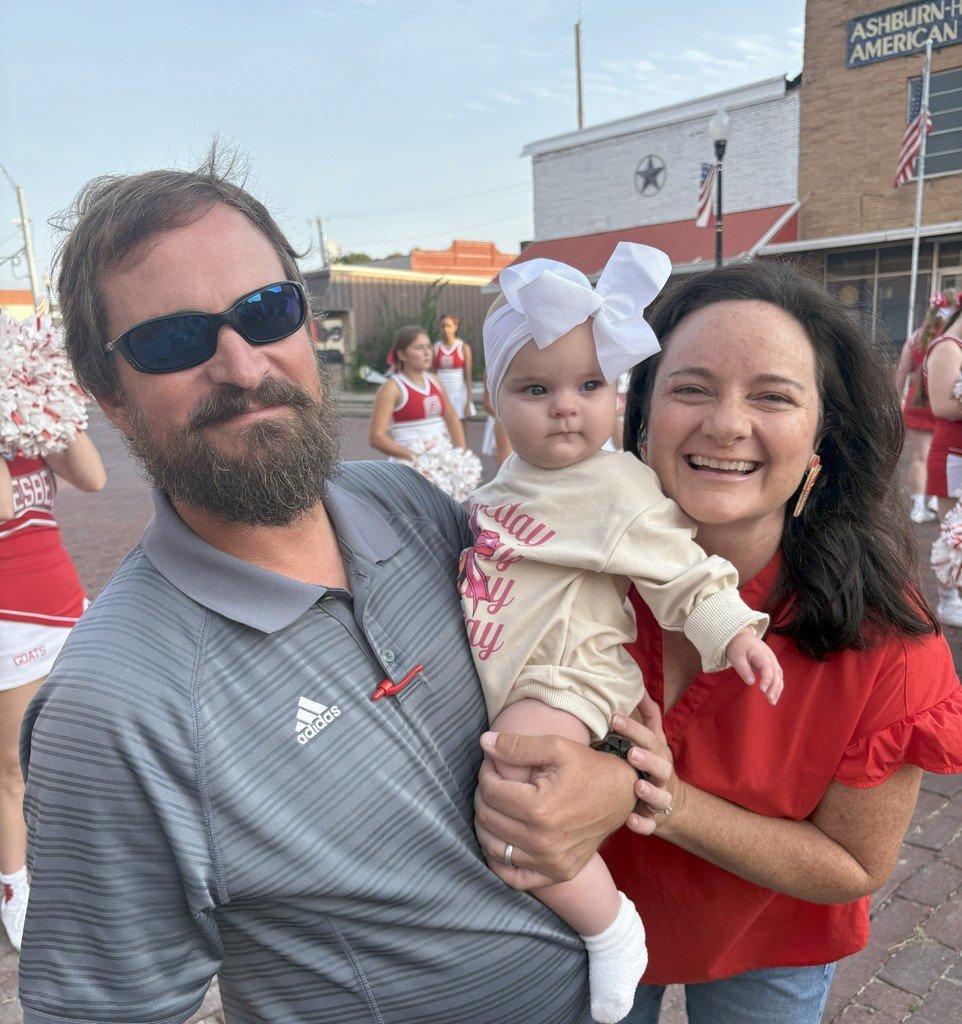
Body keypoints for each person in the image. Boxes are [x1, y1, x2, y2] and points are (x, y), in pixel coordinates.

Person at [18, 155, 595, 1024]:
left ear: (305, 318)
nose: (243, 366)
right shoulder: (115, 707)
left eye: (265, 310)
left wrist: (613, 778)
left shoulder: (409, 506)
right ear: (110, 395)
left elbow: (562, 657)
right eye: (173, 339)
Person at [473, 260, 962, 1024]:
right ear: (642, 411)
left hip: (766, 935)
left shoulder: (887, 640)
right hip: (575, 924)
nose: (727, 424)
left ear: (821, 434)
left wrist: (659, 800)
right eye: (691, 388)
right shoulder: (557, 555)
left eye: (772, 396)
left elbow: (854, 864)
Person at [462, 246, 781, 1023]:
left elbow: (681, 567)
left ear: (617, 393)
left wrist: (733, 629)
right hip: (516, 675)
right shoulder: (503, 486)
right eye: (536, 388)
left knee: (516, 790)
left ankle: (610, 930)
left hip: (570, 680)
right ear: (494, 398)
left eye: (590, 385)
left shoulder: (614, 486)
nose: (566, 406)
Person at [0, 362, 106, 954]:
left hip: (65, 601)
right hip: (10, 620)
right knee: (11, 769)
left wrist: (42, 399)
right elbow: (4, 505)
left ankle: (74, 855)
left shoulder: (26, 423)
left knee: (76, 743)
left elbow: (91, 476)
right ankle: (14, 886)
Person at [895, 291, 956, 523]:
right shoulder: (951, 338)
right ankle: (934, 499)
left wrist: (895, 399)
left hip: (917, 401)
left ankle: (918, 506)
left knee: (920, 457)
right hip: (946, 400)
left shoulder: (917, 336)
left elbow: (902, 371)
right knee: (944, 454)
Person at [368, 325, 466, 460]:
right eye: (419, 348)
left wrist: (461, 456)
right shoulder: (392, 388)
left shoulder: (436, 381)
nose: (427, 352)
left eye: (428, 347)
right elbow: (376, 437)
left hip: (441, 461)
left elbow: (452, 419)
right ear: (401, 354)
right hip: (409, 466)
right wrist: (415, 457)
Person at [923, 300, 962, 627]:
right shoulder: (948, 348)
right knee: (953, 532)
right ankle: (947, 602)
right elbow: (943, 406)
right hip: (953, 455)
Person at [433, 313, 475, 422]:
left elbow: (468, 376)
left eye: (449, 326)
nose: (446, 329)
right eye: (443, 327)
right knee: (441, 424)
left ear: (455, 327)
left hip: (458, 391)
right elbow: (431, 375)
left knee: (460, 423)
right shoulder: (436, 348)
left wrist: (468, 400)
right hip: (441, 391)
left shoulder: (463, 347)